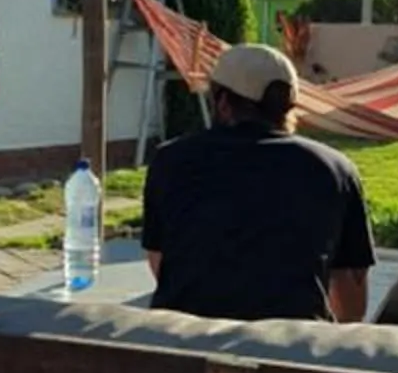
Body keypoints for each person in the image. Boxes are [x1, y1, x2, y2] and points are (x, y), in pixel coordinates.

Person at [142, 41, 376, 322]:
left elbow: (160, 265)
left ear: (223, 102)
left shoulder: (169, 161)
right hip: (288, 352)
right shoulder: (336, 170)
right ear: (288, 105)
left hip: (183, 348)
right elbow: (351, 304)